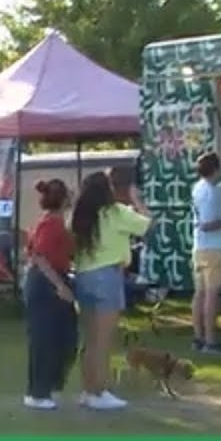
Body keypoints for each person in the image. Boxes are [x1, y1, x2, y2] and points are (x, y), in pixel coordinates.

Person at [70, 171, 153, 410]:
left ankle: (88, 389)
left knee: (90, 340)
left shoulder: (79, 216)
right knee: (103, 341)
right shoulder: (116, 212)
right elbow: (147, 225)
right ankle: (100, 391)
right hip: (108, 276)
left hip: (84, 276)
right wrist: (137, 200)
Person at [22, 179, 78, 410]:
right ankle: (38, 392)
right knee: (44, 339)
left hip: (53, 279)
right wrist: (60, 286)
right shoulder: (50, 225)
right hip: (46, 283)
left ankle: (51, 385)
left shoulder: (57, 223)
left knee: (63, 338)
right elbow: (40, 257)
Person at [190, 152, 221, 356]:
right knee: (212, 295)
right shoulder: (213, 191)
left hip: (199, 247)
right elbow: (208, 225)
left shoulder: (198, 187)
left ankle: (198, 338)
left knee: (199, 294)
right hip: (214, 247)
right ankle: (211, 341)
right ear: (216, 169)